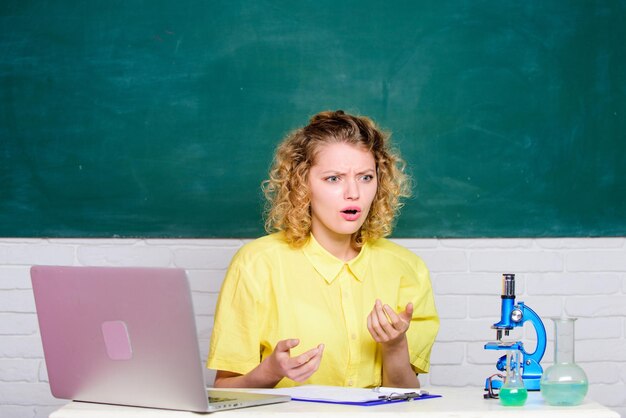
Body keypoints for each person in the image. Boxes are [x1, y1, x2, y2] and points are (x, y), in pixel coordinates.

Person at [207, 110, 439, 389]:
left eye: (366, 177)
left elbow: (406, 400)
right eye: (334, 178)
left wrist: (394, 346)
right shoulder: (256, 263)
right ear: (301, 183)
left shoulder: (408, 268)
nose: (353, 192)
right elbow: (224, 391)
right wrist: (270, 371)